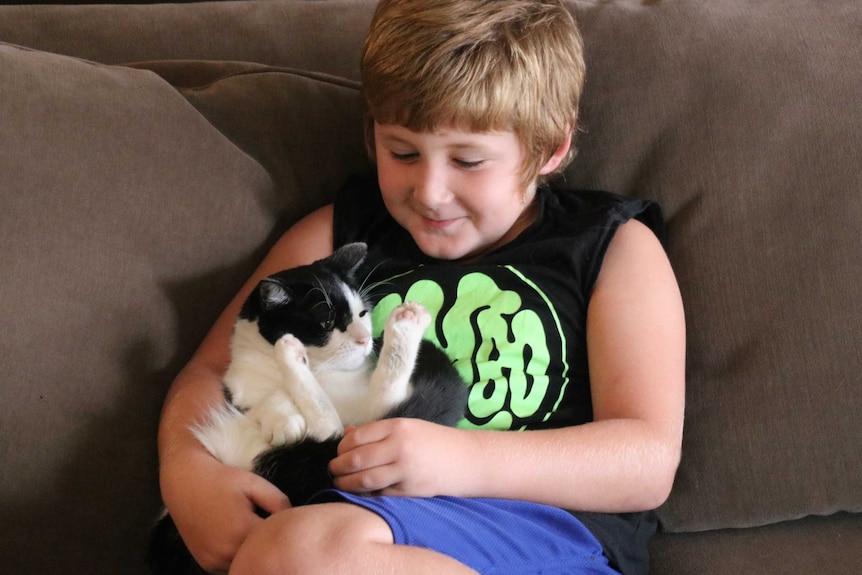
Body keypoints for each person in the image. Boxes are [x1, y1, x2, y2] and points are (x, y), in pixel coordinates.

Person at [156, 0, 686, 573]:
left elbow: (647, 459)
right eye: (402, 152)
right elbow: (214, 371)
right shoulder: (335, 239)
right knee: (297, 546)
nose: (430, 191)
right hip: (339, 516)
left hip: (537, 534)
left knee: (304, 551)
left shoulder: (609, 247)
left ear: (548, 149)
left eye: (469, 160)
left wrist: (464, 460)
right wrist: (187, 469)